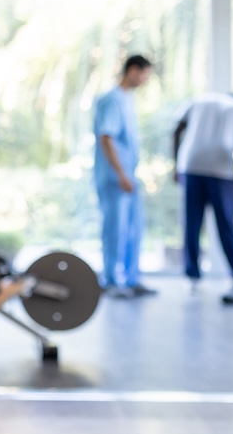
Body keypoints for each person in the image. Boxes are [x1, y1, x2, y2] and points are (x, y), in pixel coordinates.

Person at [173, 91, 233, 294]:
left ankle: (192, 275)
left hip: (192, 164)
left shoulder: (197, 100)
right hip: (222, 166)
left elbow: (176, 130)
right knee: (226, 223)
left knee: (192, 223)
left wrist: (176, 164)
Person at [93, 54, 155, 298]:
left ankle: (130, 279)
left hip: (128, 176)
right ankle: (110, 280)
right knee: (115, 230)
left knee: (132, 229)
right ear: (133, 70)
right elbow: (106, 138)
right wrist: (121, 173)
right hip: (114, 177)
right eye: (144, 74)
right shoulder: (111, 100)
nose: (145, 80)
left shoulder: (127, 100)